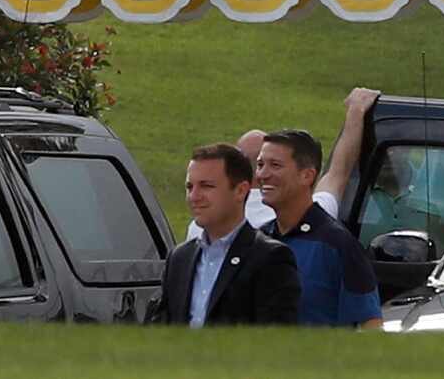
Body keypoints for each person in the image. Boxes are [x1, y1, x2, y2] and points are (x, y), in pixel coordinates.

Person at [186, 88, 377, 240]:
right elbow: (338, 172)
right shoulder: (300, 213)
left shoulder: (203, 225)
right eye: (263, 164)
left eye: (275, 164)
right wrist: (356, 111)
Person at [150, 143, 300, 327]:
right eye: (190, 187)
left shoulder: (270, 258)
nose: (194, 196)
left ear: (240, 190)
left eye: (206, 186)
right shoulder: (179, 258)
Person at [258, 122, 383, 328]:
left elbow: (370, 325)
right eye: (260, 164)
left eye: (275, 165)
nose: (262, 174)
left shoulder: (338, 245)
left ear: (307, 175)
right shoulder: (258, 240)